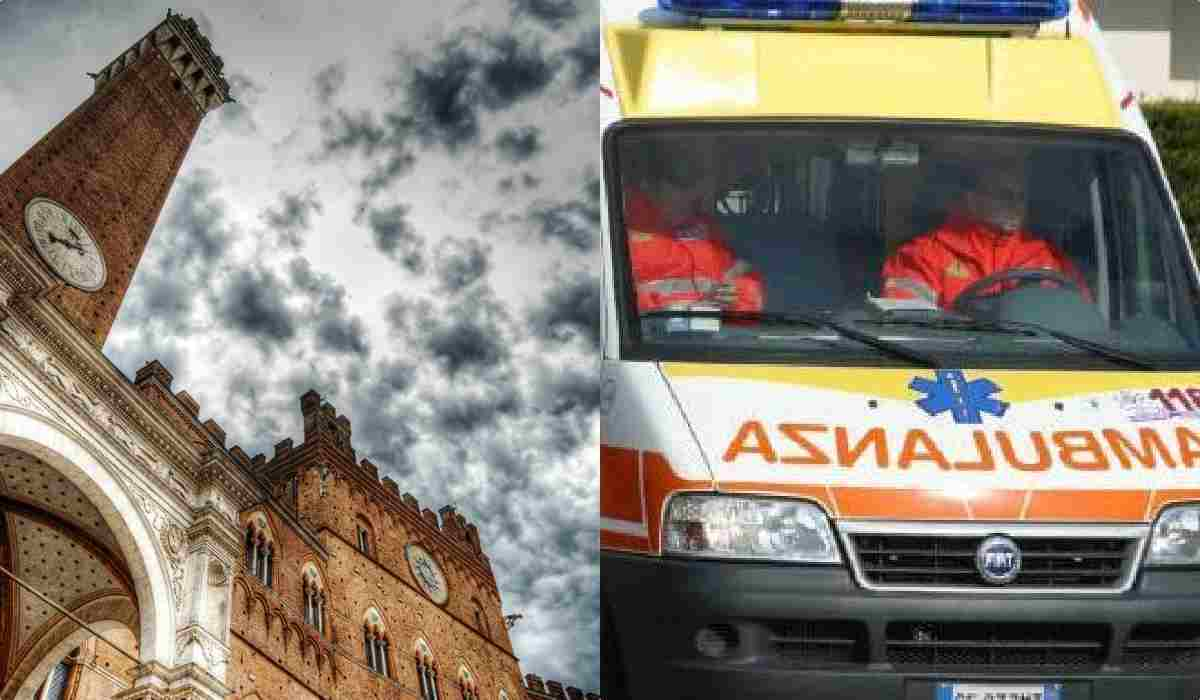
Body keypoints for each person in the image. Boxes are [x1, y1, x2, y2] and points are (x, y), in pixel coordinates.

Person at [881, 157, 1091, 310]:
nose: (1016, 205)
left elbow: (1081, 320)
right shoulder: (922, 256)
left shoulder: (1048, 258)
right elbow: (904, 325)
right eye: (1005, 196)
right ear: (973, 201)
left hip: (1039, 365)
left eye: (1021, 197)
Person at [622, 139, 764, 313]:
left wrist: (735, 298)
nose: (693, 195)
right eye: (682, 184)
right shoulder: (616, 231)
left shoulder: (706, 229)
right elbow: (609, 300)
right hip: (648, 336)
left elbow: (744, 283)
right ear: (649, 186)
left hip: (713, 336)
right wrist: (677, 307)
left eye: (695, 183)